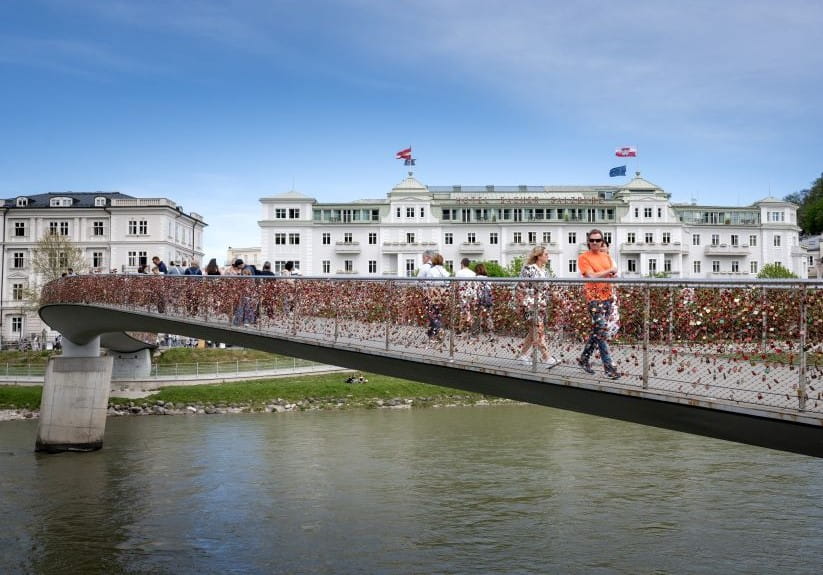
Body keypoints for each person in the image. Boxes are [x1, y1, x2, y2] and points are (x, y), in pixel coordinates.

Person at [577, 229, 620, 379]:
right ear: (588, 242)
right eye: (592, 240)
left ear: (602, 241)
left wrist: (613, 274)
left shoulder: (606, 257)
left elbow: (613, 277)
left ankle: (584, 359)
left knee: (597, 332)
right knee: (601, 332)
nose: (595, 243)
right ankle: (609, 368)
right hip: (593, 299)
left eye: (597, 240)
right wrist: (609, 270)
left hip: (607, 297)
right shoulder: (583, 257)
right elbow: (591, 276)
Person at [516, 245, 559, 368]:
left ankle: (523, 355)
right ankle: (547, 357)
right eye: (546, 254)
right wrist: (521, 304)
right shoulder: (529, 269)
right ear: (538, 256)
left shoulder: (545, 271)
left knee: (533, 331)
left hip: (541, 305)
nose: (548, 256)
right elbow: (520, 286)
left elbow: (546, 287)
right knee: (538, 330)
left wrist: (554, 294)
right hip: (529, 304)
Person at [419, 252, 450, 340]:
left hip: (432, 295)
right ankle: (434, 332)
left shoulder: (431, 271)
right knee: (438, 314)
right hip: (443, 296)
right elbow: (448, 284)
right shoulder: (445, 271)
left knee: (431, 314)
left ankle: (436, 332)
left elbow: (428, 283)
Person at [471, 262, 494, 335]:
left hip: (479, 300)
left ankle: (475, 331)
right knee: (488, 316)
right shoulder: (488, 279)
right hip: (487, 300)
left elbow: (474, 289)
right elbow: (490, 289)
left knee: (476, 316)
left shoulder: (475, 279)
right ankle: (490, 331)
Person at [454, 258, 476, 332]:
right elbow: (474, 284)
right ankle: (468, 326)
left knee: (463, 310)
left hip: (462, 293)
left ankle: (462, 327)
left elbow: (456, 283)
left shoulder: (459, 273)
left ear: (462, 264)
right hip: (470, 293)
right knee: (467, 309)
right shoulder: (473, 273)